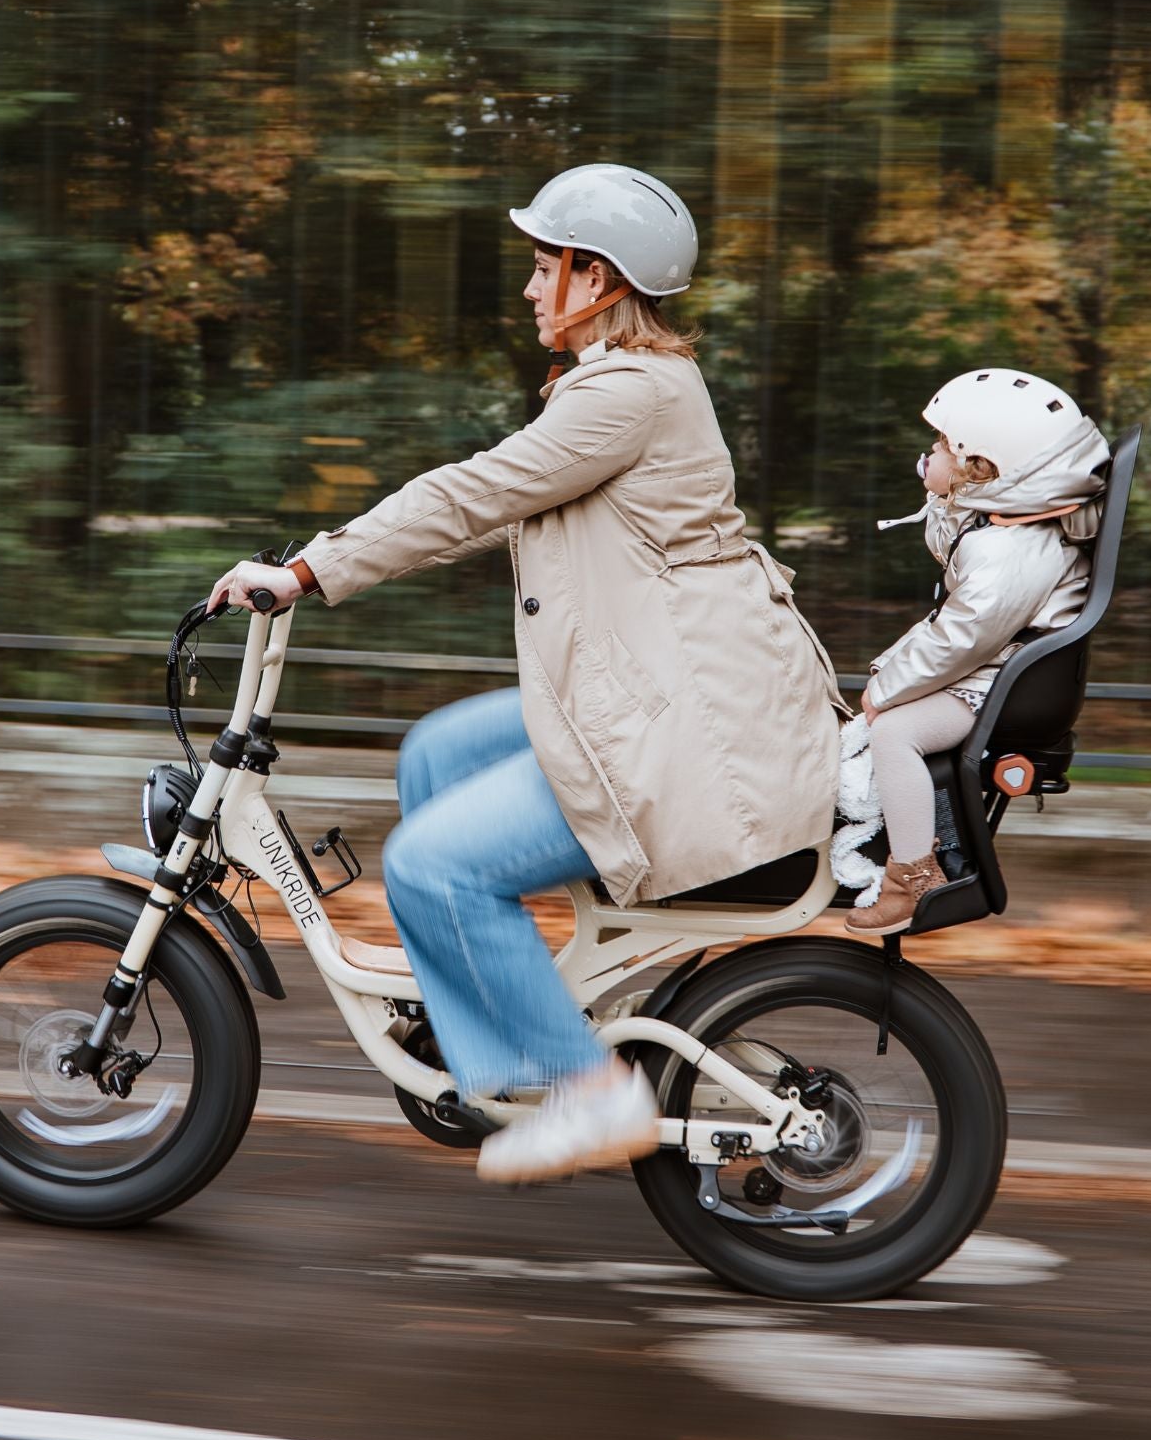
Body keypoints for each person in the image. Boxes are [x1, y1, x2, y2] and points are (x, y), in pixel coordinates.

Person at [210, 163, 845, 1183]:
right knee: (439, 753)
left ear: (599, 279)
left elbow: (472, 493)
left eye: (546, 265)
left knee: (432, 866)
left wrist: (308, 572)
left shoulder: (628, 393)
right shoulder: (623, 386)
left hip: (688, 731)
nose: (529, 285)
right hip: (662, 691)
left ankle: (586, 1089)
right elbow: (502, 505)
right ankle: (496, 1030)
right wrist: (336, 562)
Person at [846, 369, 1111, 936]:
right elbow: (953, 586)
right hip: (991, 672)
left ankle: (913, 878)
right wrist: (947, 495)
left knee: (894, 732)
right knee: (882, 715)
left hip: (994, 687)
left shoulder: (1012, 552)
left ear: (982, 468)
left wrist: (887, 688)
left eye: (944, 445)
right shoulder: (1006, 527)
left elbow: (961, 638)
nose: (931, 452)